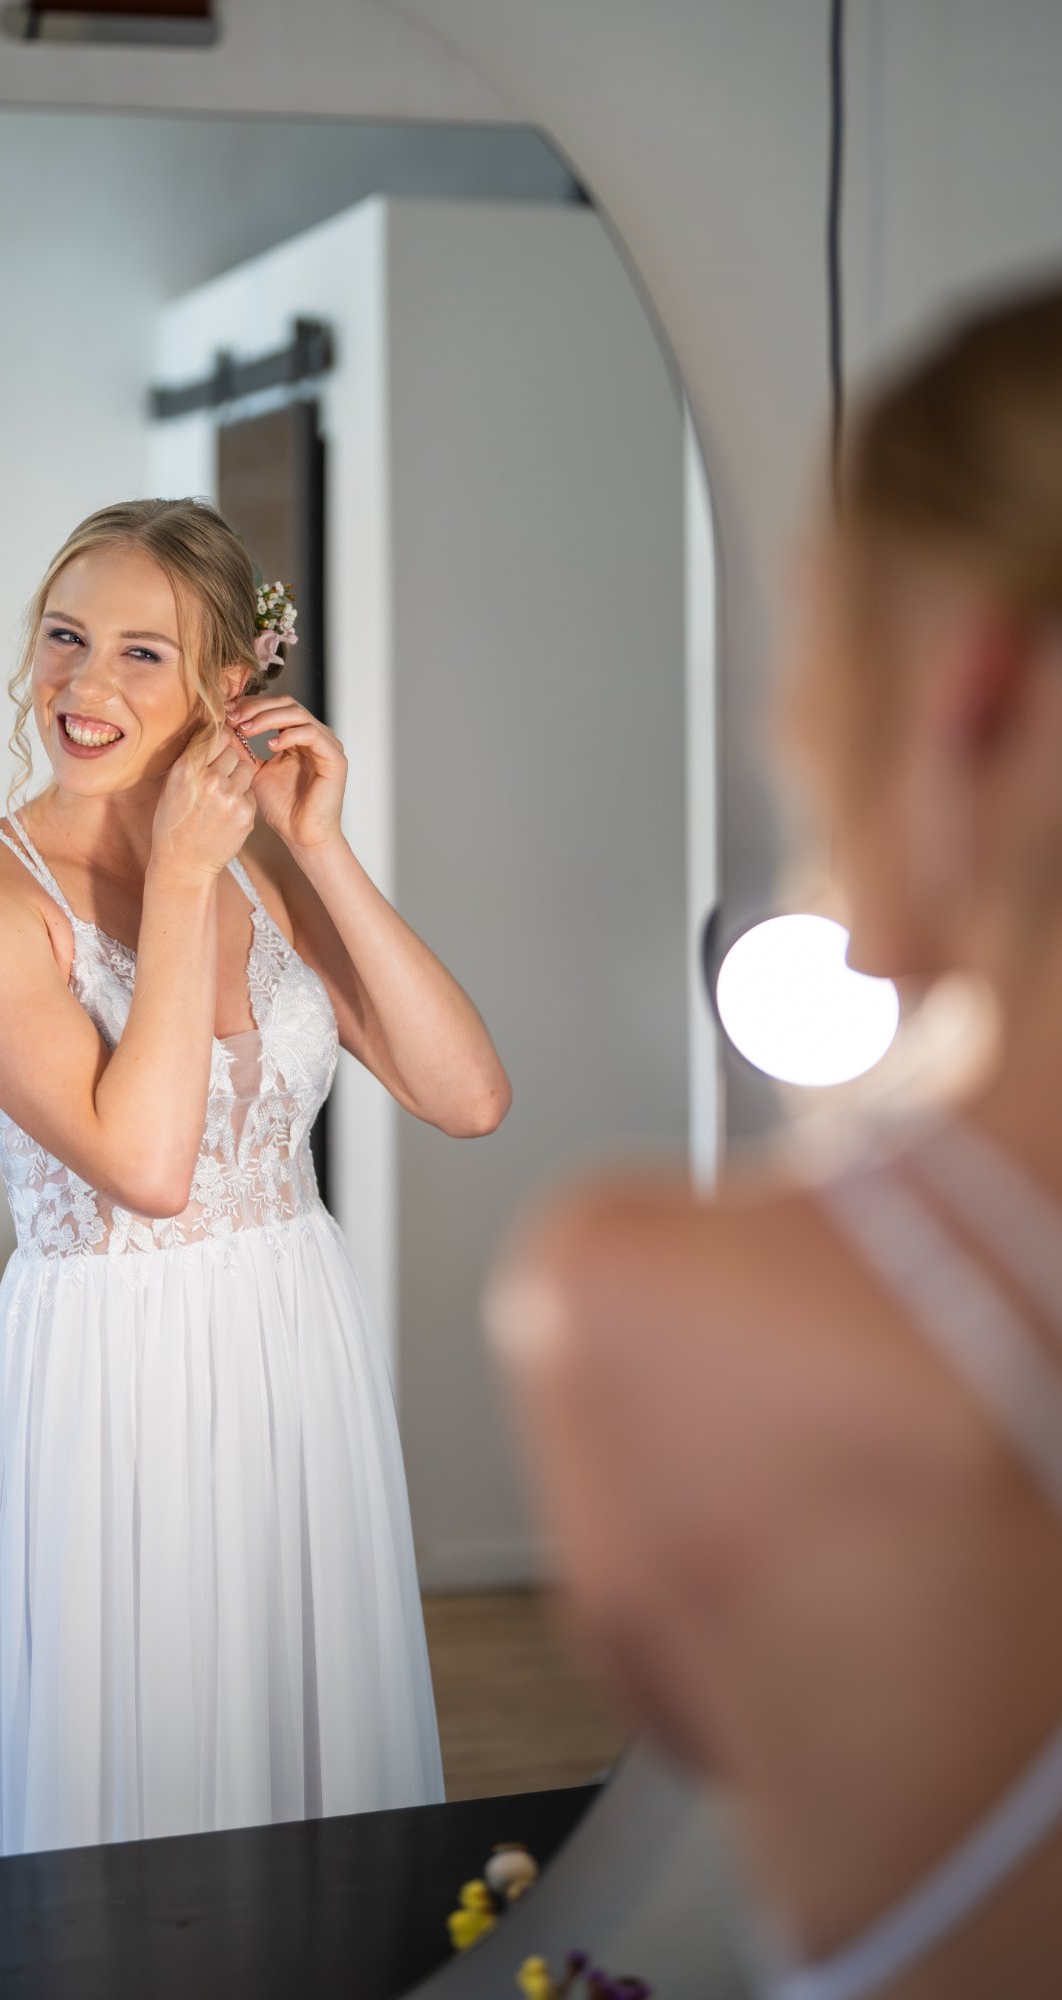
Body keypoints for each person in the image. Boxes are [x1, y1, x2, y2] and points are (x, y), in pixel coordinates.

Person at [485, 282, 1062, 1999]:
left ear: (963, 690)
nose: (784, 719)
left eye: (817, 638)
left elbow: (706, 1707)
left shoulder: (640, 1299)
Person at [0, 497, 511, 1860]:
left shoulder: (264, 872)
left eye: (141, 653)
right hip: (109, 1374)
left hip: (295, 1343)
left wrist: (318, 848)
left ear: (230, 686)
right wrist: (177, 883)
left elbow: (465, 1096)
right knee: (134, 1762)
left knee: (308, 1747)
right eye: (65, 638)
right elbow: (145, 1166)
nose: (83, 684)